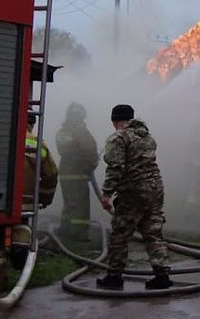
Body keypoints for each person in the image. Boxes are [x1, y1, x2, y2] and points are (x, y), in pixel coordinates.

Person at [97, 104, 172, 291]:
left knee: (120, 234)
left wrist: (106, 194)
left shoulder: (118, 138)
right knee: (153, 233)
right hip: (155, 189)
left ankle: (114, 277)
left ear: (115, 120)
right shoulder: (147, 137)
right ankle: (162, 276)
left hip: (134, 192)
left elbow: (115, 168)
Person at [1, 111, 60, 284]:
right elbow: (51, 173)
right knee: (21, 229)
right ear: (32, 124)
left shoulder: (1, 136)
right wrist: (43, 198)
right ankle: (20, 257)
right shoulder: (37, 143)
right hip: (24, 202)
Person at [55, 101, 99, 242]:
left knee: (69, 203)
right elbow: (89, 149)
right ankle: (80, 234)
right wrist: (92, 163)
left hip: (65, 172)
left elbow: (63, 150)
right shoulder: (80, 131)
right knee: (80, 205)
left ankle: (65, 229)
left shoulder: (63, 131)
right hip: (79, 173)